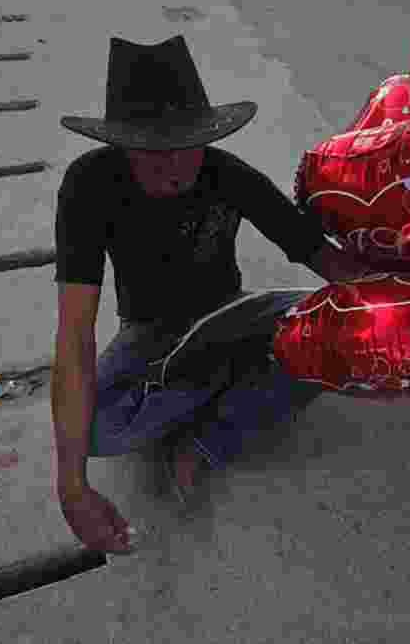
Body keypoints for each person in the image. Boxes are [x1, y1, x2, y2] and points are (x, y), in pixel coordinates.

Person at [51, 35, 367, 555]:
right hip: (152, 333)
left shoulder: (229, 175)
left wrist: (398, 297)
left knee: (342, 335)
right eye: (152, 152)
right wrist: (72, 486)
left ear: (207, 136)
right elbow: (74, 338)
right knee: (96, 431)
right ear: (122, 144)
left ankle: (207, 441)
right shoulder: (88, 186)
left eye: (186, 146)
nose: (172, 166)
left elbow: (322, 257)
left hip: (232, 311)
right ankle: (233, 376)